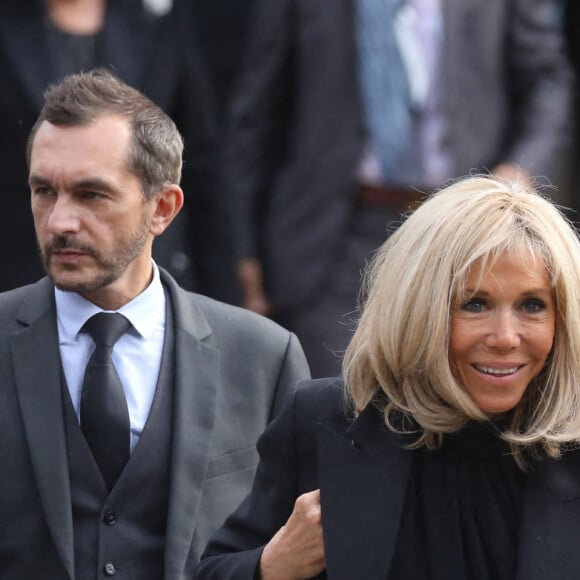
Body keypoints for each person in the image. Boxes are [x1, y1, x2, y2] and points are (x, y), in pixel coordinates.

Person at [0, 68, 310, 579]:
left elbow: (296, 548)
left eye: (91, 195)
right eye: (44, 192)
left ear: (162, 208)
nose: (59, 221)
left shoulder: (263, 358)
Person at [197, 175, 580, 580]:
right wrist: (270, 567)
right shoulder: (324, 421)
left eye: (532, 305)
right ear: (419, 308)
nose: (505, 337)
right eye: (475, 304)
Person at [224, 0, 572, 378]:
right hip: (336, 238)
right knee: (340, 404)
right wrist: (243, 248)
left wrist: (519, 169)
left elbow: (547, 82)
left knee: (448, 398)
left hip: (463, 235)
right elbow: (254, 119)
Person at [0, 0, 238, 303]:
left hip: (142, 282)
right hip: (16, 278)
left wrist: (224, 296)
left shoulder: (159, 26)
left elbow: (203, 169)